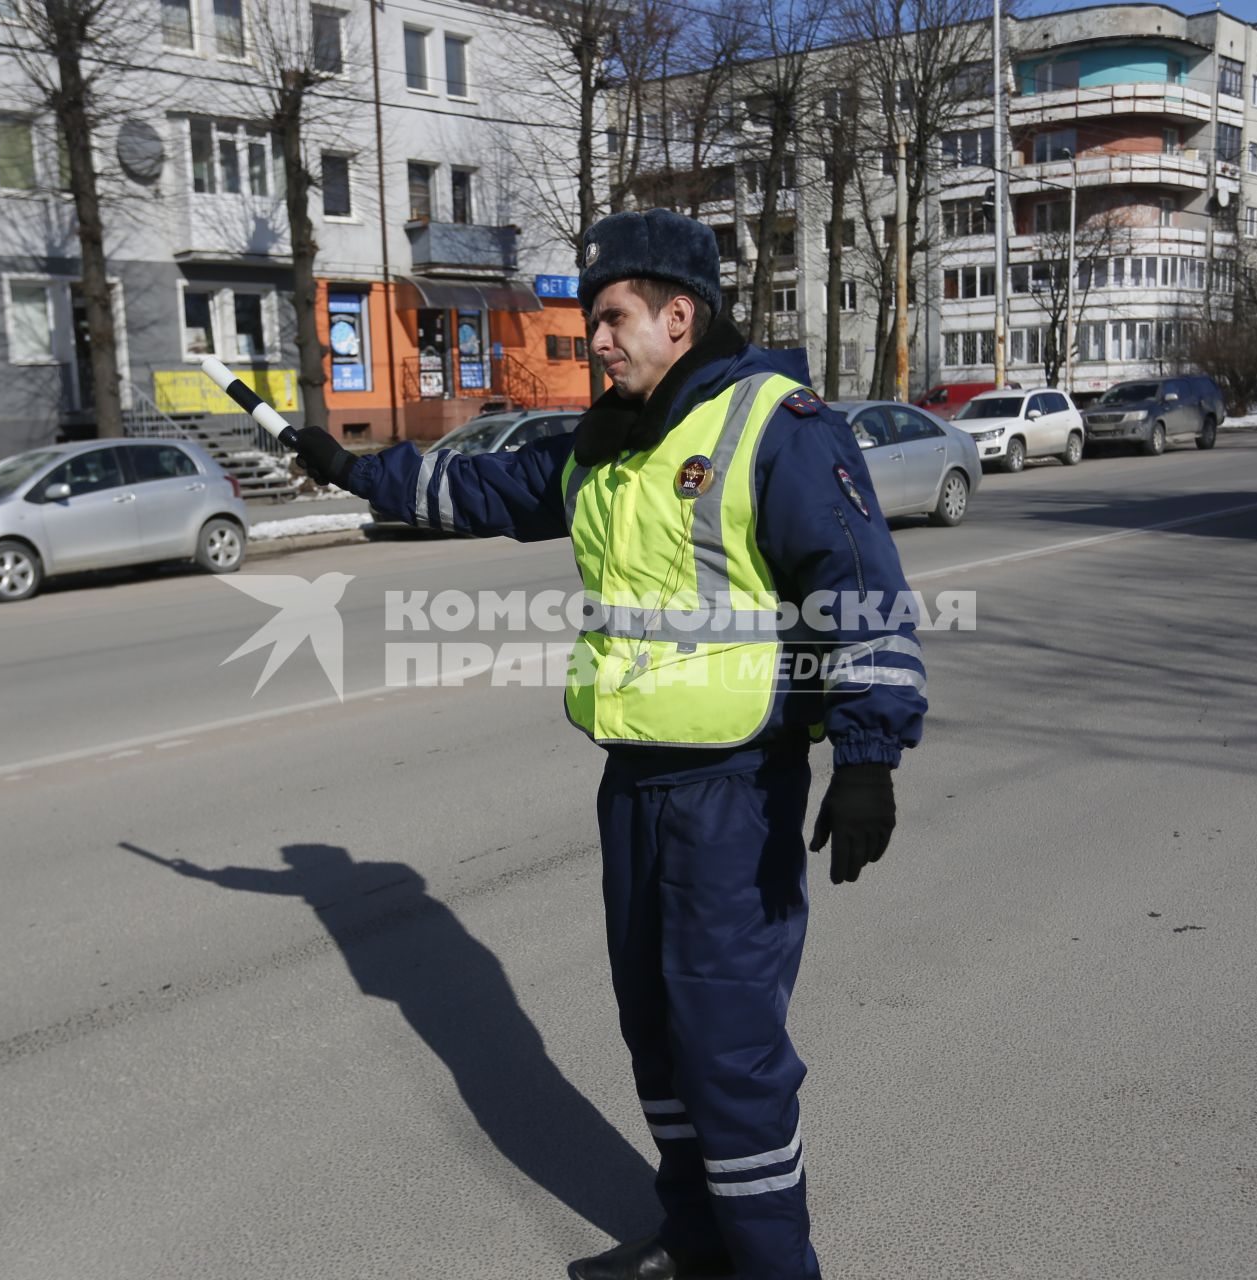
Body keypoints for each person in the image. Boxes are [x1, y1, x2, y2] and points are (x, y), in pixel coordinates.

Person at [289, 209, 927, 1280]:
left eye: (613, 319)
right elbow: (476, 487)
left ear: (681, 316)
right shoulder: (609, 438)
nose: (598, 341)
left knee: (731, 1056)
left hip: (737, 788)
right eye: (594, 324)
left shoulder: (777, 425)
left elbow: (857, 588)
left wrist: (866, 755)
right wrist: (350, 469)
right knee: (659, 1039)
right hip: (634, 785)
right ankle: (697, 1243)